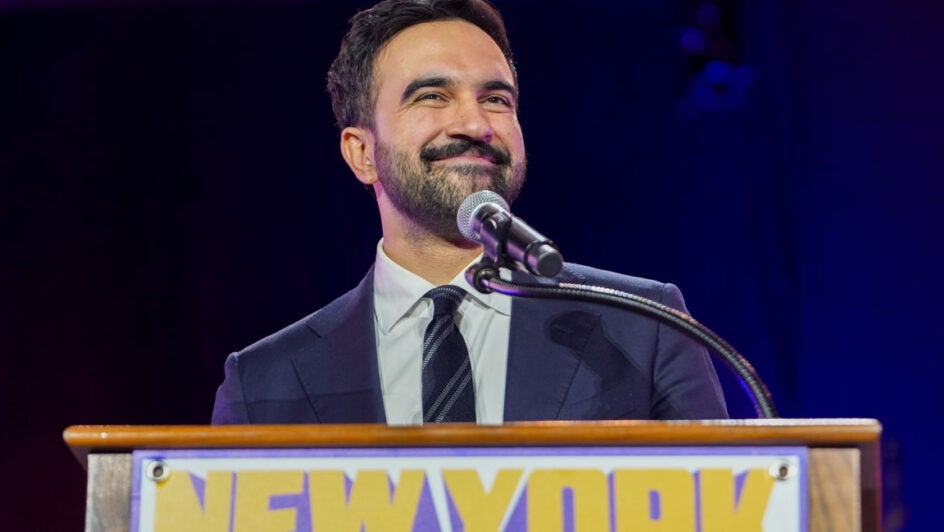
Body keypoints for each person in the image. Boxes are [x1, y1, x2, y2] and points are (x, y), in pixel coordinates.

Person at [212, 0, 727, 425]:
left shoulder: (644, 326)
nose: (476, 123)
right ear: (361, 153)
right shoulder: (264, 381)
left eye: (497, 99)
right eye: (433, 95)